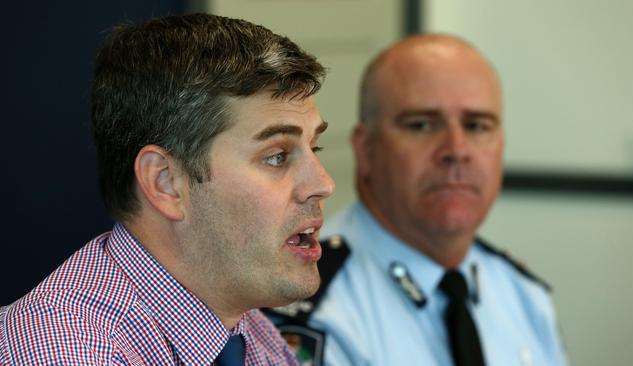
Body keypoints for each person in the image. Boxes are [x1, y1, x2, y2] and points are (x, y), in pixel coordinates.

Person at [0, 13, 335, 365]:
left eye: (314, 148)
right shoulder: (65, 350)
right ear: (165, 182)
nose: (323, 184)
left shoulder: (252, 331)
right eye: (277, 156)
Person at [265, 34, 568, 366]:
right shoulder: (315, 307)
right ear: (365, 149)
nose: (456, 150)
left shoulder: (523, 295)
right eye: (422, 125)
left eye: (477, 126)